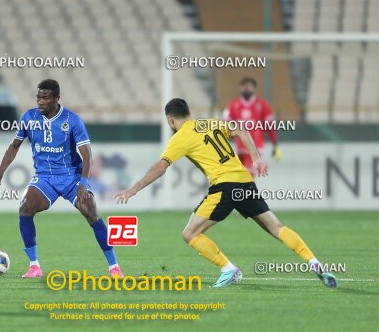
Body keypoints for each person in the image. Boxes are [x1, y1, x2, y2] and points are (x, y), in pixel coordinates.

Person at [114, 98, 336, 288]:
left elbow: (161, 167)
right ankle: (314, 262)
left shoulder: (181, 137)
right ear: (190, 113)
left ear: (170, 120)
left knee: (190, 234)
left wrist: (133, 189)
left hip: (225, 187)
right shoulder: (210, 123)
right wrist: (256, 158)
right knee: (276, 228)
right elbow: (241, 129)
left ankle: (228, 269)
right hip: (245, 182)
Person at [0, 79, 122, 278]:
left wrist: (83, 182)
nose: (40, 101)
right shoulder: (28, 118)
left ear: (56, 99)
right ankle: (34, 267)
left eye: (45, 98)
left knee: (91, 212)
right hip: (44, 178)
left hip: (71, 177)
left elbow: (87, 154)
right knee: (25, 206)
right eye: (38, 97)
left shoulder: (72, 120)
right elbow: (14, 147)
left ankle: (114, 267)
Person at [224, 77, 282, 177]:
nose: (246, 89)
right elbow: (225, 125)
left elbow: (270, 126)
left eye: (248, 86)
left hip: (256, 146)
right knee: (240, 176)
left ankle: (247, 192)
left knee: (247, 175)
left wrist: (275, 143)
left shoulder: (262, 104)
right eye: (243, 86)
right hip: (240, 146)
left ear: (254, 88)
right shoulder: (233, 105)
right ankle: (245, 192)